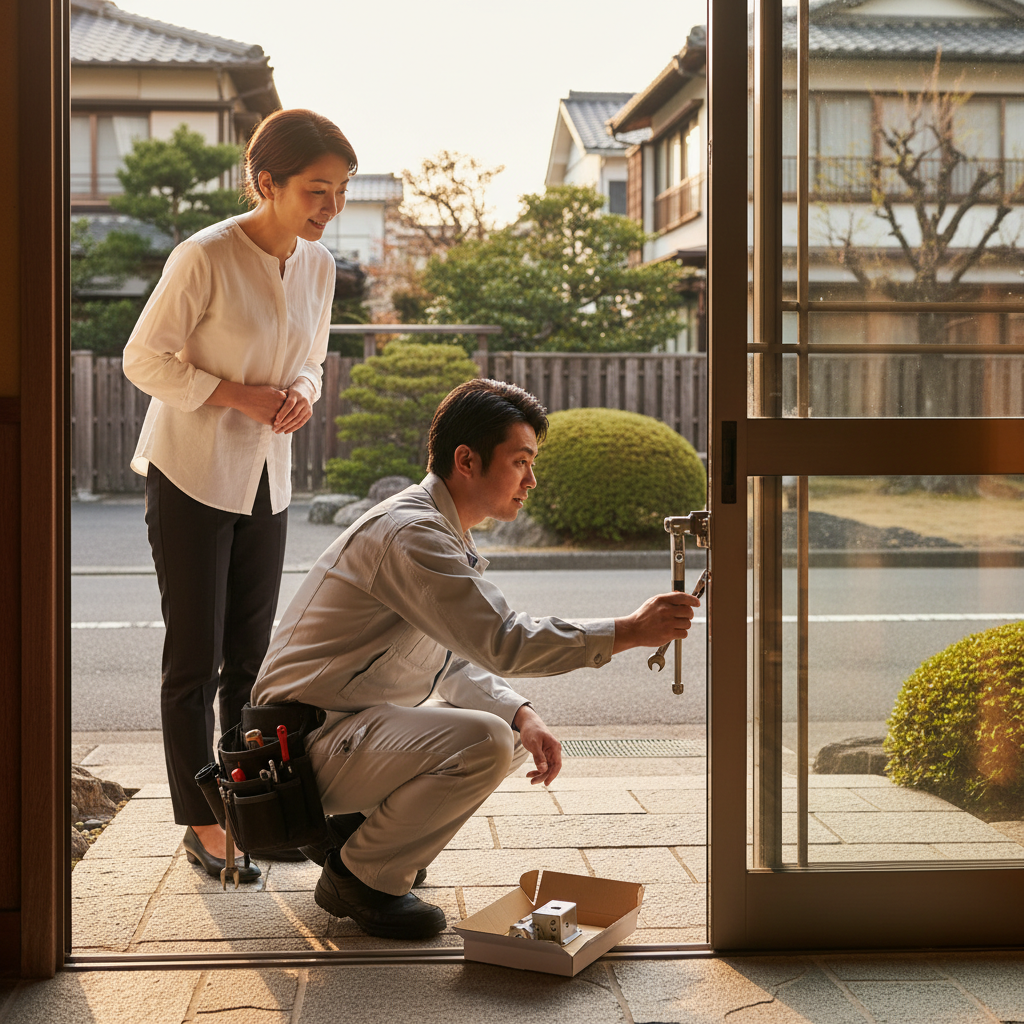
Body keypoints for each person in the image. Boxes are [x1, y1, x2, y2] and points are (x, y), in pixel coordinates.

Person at [251, 378, 700, 939]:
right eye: (520, 461)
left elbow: (451, 658)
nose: (532, 480)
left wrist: (521, 713)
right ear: (466, 460)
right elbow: (501, 639)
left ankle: (355, 835)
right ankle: (359, 876)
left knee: (507, 733)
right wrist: (628, 631)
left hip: (336, 730)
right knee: (481, 743)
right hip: (296, 749)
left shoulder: (435, 527)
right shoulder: (413, 533)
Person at [122, 108, 356, 882]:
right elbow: (142, 360)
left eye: (341, 191)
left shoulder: (318, 265)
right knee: (193, 660)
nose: (330, 207)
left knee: (250, 662)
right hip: (190, 471)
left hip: (267, 474)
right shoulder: (206, 256)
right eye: (317, 191)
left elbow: (314, 358)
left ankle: (251, 809)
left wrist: (303, 392)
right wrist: (239, 395)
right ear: (267, 183)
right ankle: (201, 823)